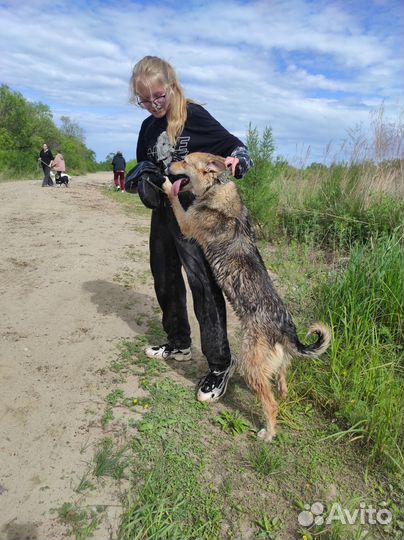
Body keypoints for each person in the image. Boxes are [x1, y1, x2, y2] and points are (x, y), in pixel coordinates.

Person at [126, 55, 253, 403]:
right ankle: (178, 341)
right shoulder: (148, 127)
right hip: (164, 212)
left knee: (203, 285)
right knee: (164, 277)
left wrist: (237, 160)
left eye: (158, 96)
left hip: (196, 217)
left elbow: (235, 147)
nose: (153, 105)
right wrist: (142, 177)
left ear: (171, 86)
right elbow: (145, 163)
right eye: (144, 100)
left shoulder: (194, 116)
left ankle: (219, 364)